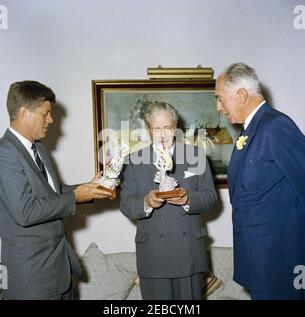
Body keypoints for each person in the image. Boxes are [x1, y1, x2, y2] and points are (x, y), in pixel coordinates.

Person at [0, 81, 112, 300]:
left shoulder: (38, 148)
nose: (51, 120)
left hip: (58, 274)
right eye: (46, 114)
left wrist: (88, 189)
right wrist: (75, 197)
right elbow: (26, 211)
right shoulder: (5, 154)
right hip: (31, 280)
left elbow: (52, 192)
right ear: (24, 112)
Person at [215, 63, 305, 300]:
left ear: (242, 95)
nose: (219, 107)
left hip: (281, 261)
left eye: (220, 99)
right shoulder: (249, 130)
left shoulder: (276, 126)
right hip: (259, 260)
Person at [120, 101, 216, 300]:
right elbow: (126, 204)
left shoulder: (196, 156)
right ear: (147, 129)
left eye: (167, 128)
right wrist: (146, 202)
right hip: (154, 255)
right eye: (156, 129)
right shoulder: (133, 161)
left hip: (189, 253)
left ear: (176, 128)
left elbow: (210, 198)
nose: (162, 135)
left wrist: (188, 199)